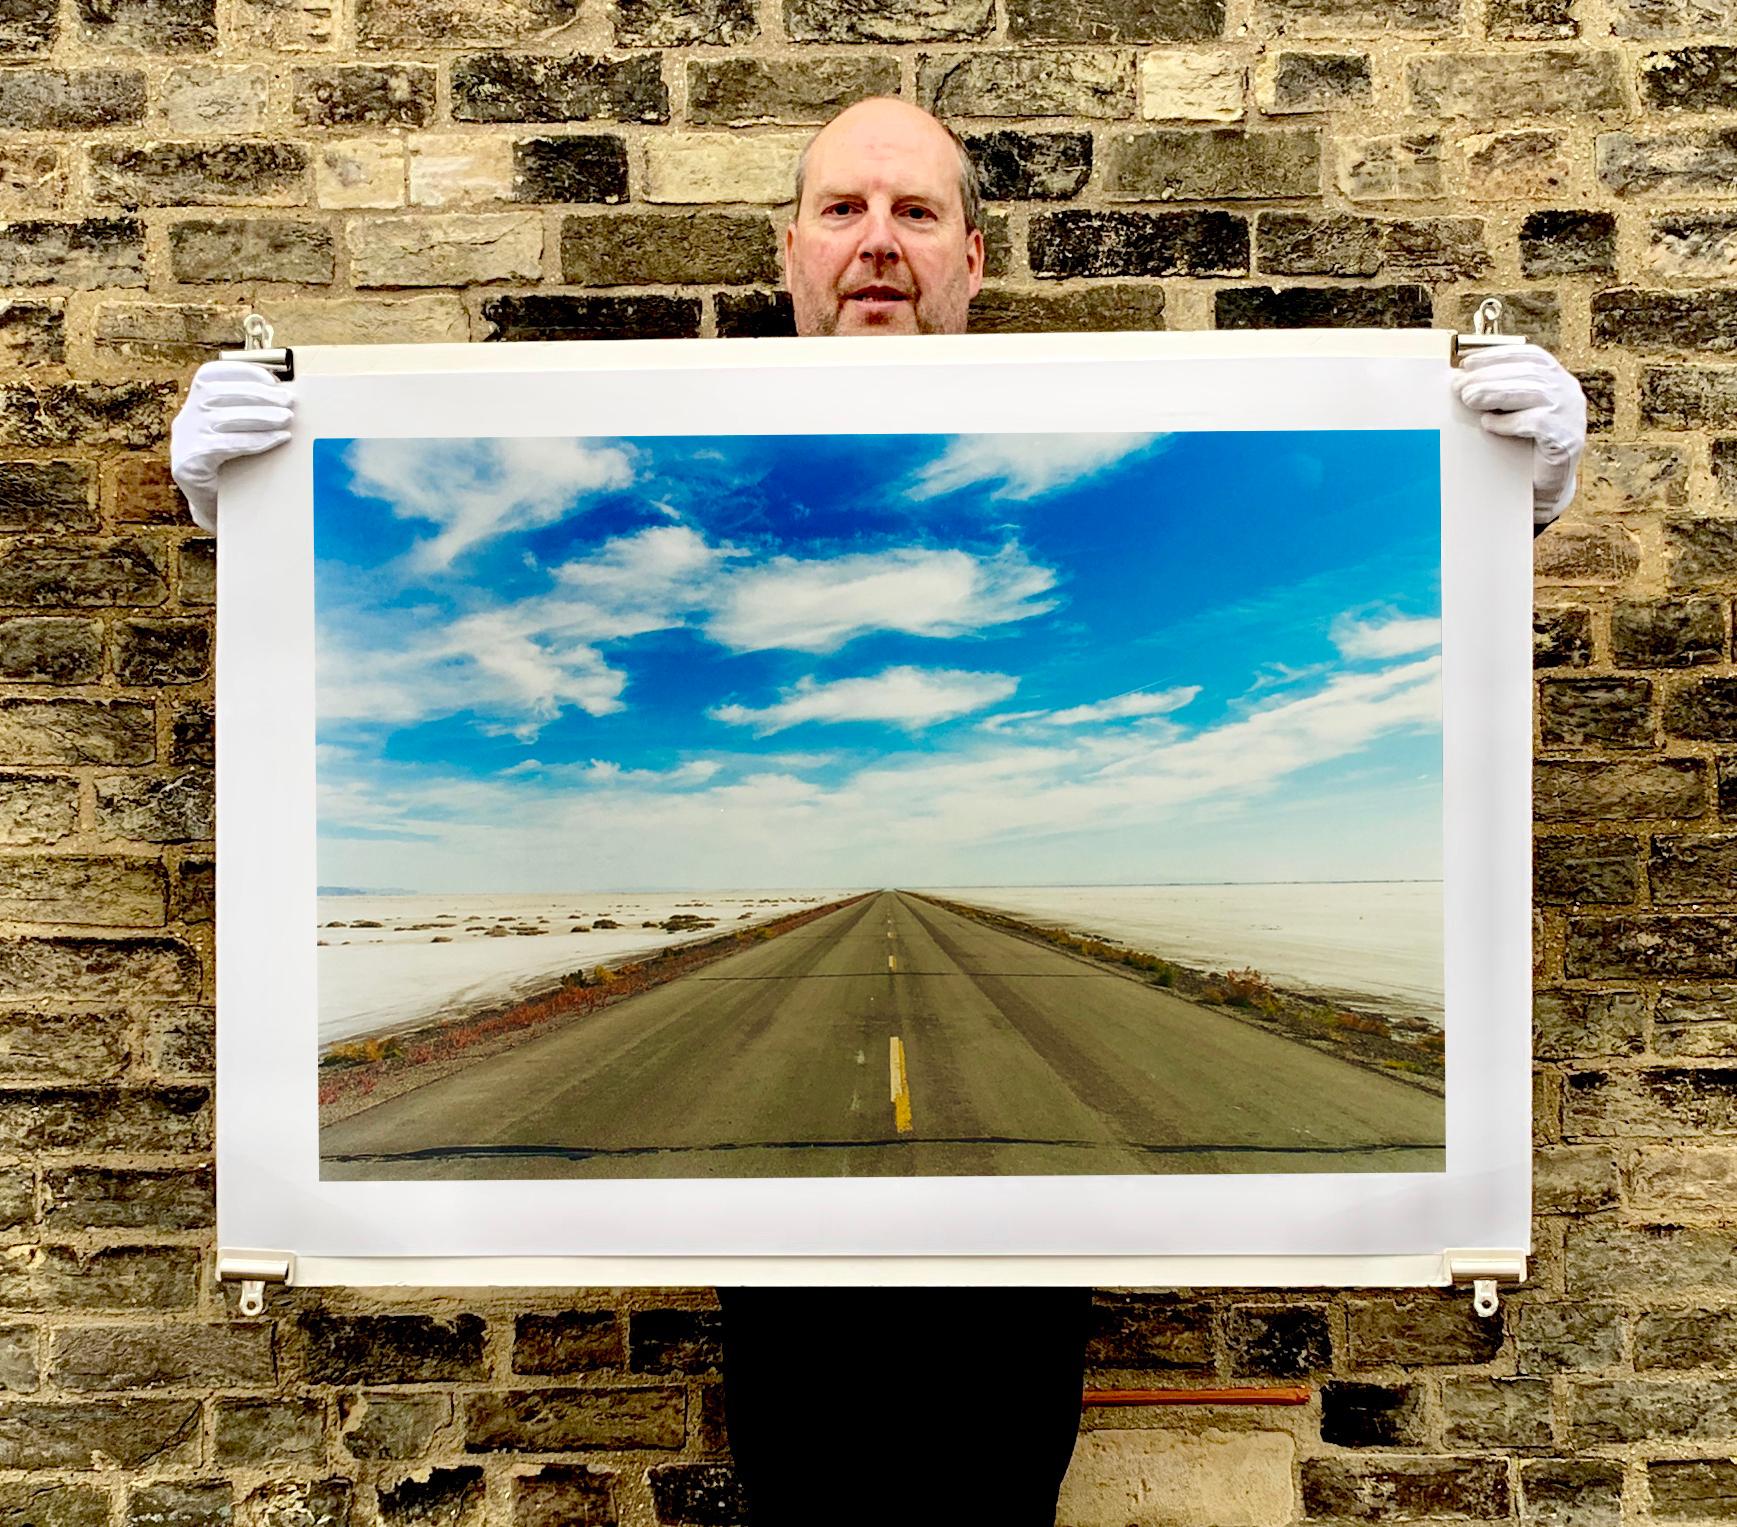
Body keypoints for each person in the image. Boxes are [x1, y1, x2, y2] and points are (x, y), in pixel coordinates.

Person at [172, 96, 1586, 1525]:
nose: (876, 246)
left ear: (973, 260)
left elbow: (1400, 571)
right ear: (788, 252)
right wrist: (260, 509)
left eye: (914, 215)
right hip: (777, 1254)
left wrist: (1489, 498)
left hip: (1016, 1258)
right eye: (843, 211)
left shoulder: (1098, 426)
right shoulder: (662, 442)